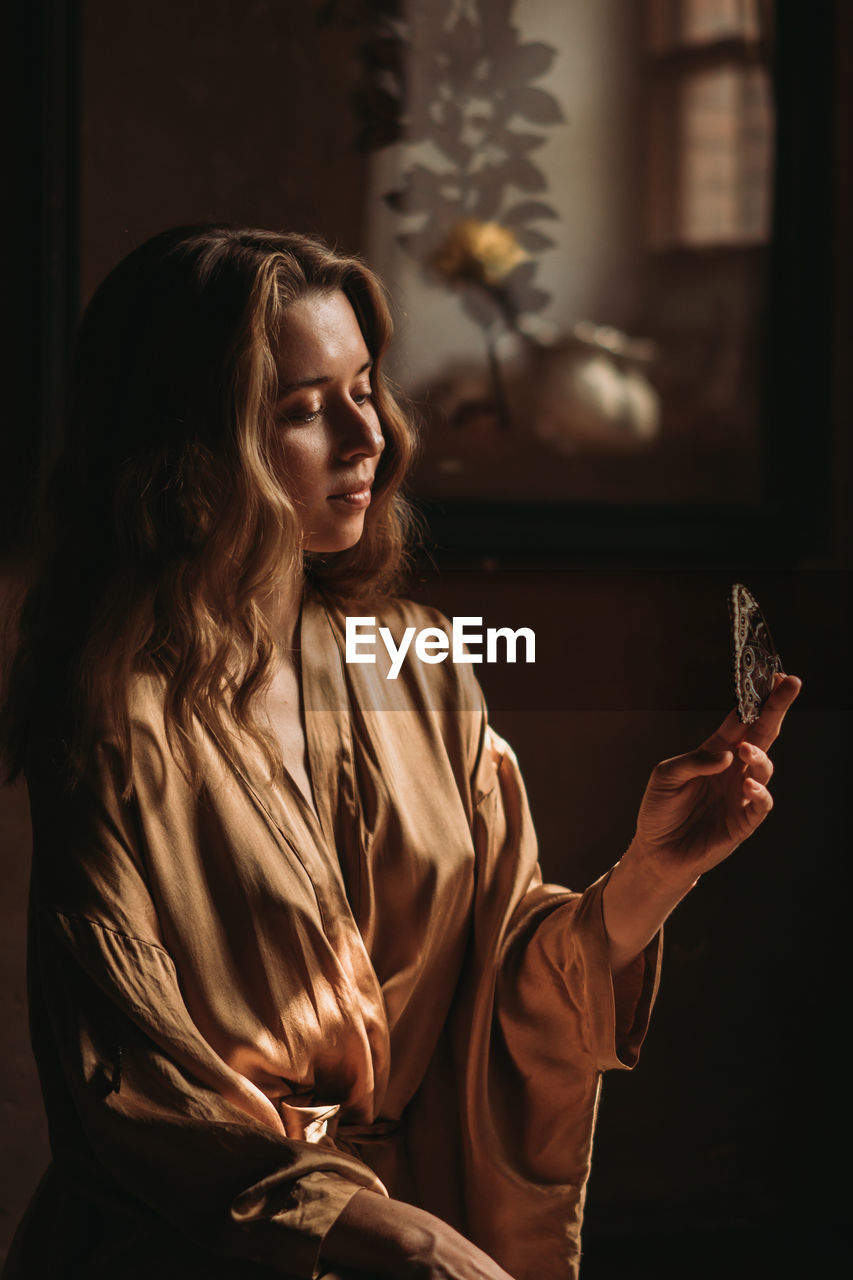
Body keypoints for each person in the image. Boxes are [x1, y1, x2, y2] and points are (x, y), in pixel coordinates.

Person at [0, 225, 800, 1280]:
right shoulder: (111, 715)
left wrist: (651, 872)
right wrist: (398, 1234)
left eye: (363, 387)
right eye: (299, 408)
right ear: (192, 445)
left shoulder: (416, 664)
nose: (363, 433)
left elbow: (504, 988)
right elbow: (142, 1090)